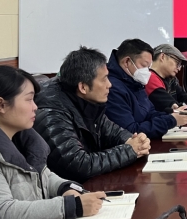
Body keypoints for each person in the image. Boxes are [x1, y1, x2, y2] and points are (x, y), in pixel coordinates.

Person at [0, 66, 107, 219]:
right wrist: (72, 206)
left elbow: (44, 176)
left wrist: (65, 188)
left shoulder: (20, 137)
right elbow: (1, 212)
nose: (35, 107)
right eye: (29, 100)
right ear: (0, 105)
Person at [34, 47, 150, 182]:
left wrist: (134, 141)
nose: (110, 84)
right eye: (104, 79)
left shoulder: (86, 102)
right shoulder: (51, 114)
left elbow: (111, 130)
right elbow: (78, 165)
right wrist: (130, 150)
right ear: (83, 87)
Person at [105, 39, 187, 139]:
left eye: (148, 67)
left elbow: (150, 112)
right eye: (144, 65)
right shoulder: (112, 88)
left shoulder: (135, 81)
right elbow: (130, 132)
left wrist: (172, 114)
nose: (147, 71)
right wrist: (171, 120)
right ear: (127, 62)